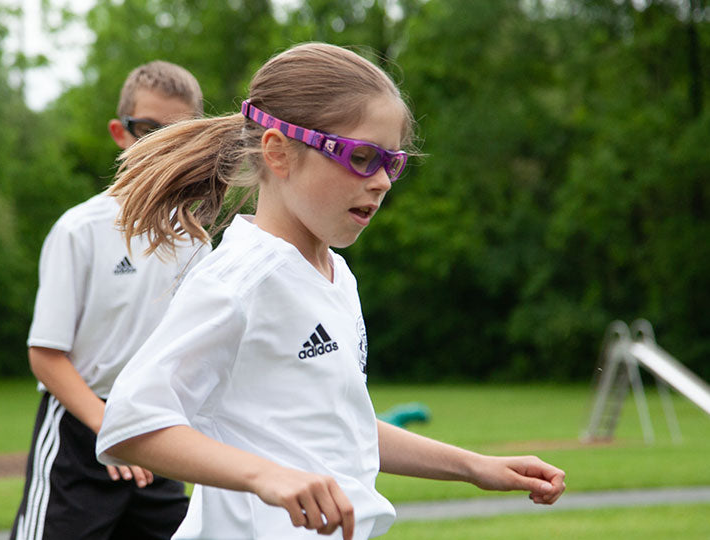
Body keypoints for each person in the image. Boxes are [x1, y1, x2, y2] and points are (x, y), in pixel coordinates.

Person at [95, 43, 566, 540]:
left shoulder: (336, 274)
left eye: (392, 161)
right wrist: (266, 476)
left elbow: (343, 425)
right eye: (361, 157)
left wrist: (475, 467)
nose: (382, 181)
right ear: (278, 152)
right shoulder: (240, 279)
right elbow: (130, 424)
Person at [10, 60, 208, 540]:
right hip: (81, 432)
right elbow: (46, 355)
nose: (162, 143)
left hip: (157, 430)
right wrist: (110, 426)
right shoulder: (81, 229)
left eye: (178, 132)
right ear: (121, 133)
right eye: (148, 130)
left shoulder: (197, 240)